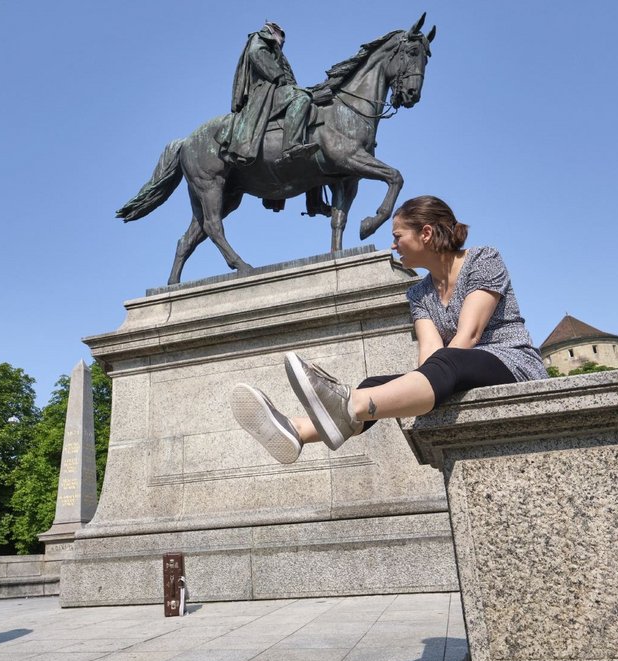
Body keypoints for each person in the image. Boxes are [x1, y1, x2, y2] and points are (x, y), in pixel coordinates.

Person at [230, 195, 548, 463]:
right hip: (458, 370)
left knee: (446, 362)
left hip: (510, 363)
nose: (393, 245)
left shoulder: (482, 259)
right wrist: (425, 391)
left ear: (425, 233)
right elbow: (429, 353)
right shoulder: (418, 293)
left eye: (398, 236)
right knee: (374, 383)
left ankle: (349, 404)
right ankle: (297, 430)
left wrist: (431, 381)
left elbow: (470, 334)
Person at [219, 21, 317, 166]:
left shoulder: (275, 49)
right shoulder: (260, 37)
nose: (283, 40)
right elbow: (256, 53)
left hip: (277, 88)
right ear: (274, 31)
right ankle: (291, 146)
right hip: (265, 90)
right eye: (282, 36)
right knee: (301, 97)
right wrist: (277, 76)